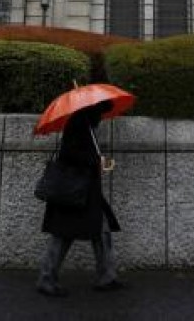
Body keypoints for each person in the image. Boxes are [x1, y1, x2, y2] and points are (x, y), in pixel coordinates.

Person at [36, 100, 124, 297]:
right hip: (75, 192)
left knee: (101, 231)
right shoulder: (79, 123)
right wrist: (96, 161)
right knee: (63, 235)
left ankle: (107, 276)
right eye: (102, 112)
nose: (102, 117)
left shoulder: (87, 124)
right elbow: (70, 154)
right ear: (94, 109)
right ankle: (47, 278)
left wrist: (96, 160)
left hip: (85, 192)